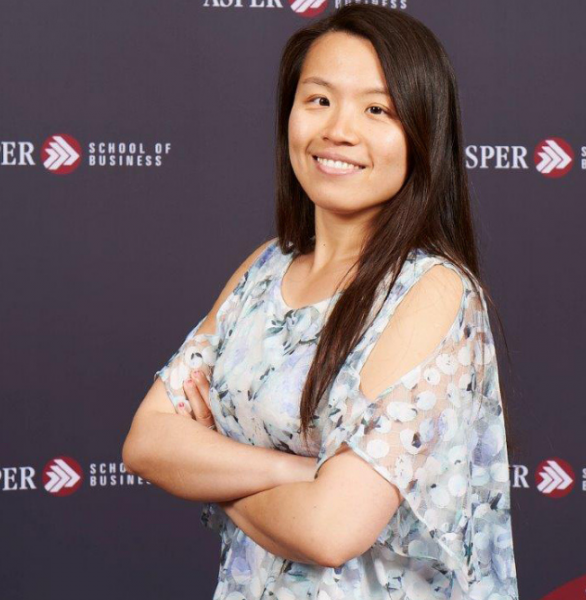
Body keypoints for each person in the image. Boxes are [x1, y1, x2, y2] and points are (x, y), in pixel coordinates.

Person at [122, 5, 519, 599]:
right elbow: (146, 443)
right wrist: (296, 471)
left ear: (423, 133)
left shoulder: (432, 290)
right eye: (319, 100)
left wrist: (213, 463)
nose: (338, 130)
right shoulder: (264, 268)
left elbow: (331, 529)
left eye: (377, 109)